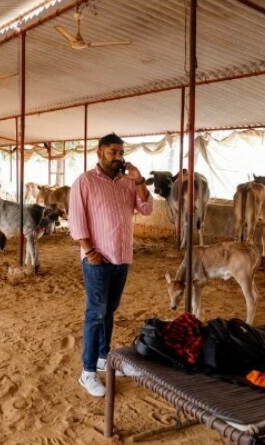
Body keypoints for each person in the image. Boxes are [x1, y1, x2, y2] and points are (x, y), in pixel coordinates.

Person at [68, 133, 154, 397]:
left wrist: (138, 180)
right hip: (98, 259)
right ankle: (88, 371)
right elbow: (76, 220)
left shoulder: (128, 183)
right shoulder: (85, 182)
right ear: (100, 152)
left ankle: (103, 357)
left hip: (121, 257)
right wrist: (90, 251)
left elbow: (147, 208)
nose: (118, 157)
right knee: (95, 313)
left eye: (120, 152)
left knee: (110, 310)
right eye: (112, 152)